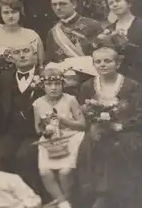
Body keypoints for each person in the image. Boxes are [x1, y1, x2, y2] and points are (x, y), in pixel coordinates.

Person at [76, 43, 142, 208]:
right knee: (90, 145)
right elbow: (83, 112)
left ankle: (111, 197)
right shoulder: (87, 86)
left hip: (125, 131)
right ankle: (94, 194)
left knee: (118, 147)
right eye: (98, 62)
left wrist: (122, 126)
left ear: (117, 64)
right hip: (98, 130)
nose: (102, 65)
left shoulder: (131, 85)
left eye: (107, 61)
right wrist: (94, 123)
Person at [0, 43, 44, 192]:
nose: (22, 55)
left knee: (25, 156)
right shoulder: (4, 78)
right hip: (11, 132)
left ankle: (30, 198)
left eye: (26, 51)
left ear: (35, 54)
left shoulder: (45, 76)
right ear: (11, 57)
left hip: (35, 133)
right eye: (17, 52)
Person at [33, 67, 85, 208]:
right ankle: (63, 203)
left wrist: (63, 120)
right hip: (51, 139)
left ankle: (68, 202)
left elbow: (82, 125)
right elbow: (37, 128)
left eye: (57, 84)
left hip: (71, 137)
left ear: (63, 84)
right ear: (42, 86)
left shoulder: (70, 100)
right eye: (49, 85)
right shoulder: (38, 103)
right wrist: (46, 129)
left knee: (65, 172)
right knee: (45, 173)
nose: (54, 88)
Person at [45, 0, 103, 76]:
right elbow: (49, 61)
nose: (58, 8)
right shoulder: (52, 32)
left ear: (74, 4)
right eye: (54, 4)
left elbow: (104, 56)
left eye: (62, 4)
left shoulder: (92, 25)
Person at [105, 0, 142, 83]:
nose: (115, 5)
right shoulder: (110, 29)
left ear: (128, 4)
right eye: (111, 3)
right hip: (120, 76)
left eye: (118, 1)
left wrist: (127, 45)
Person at [0, 0, 44, 64]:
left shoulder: (33, 36)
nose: (10, 16)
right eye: (6, 12)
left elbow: (41, 64)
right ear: (0, 15)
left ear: (20, 13)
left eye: (14, 12)